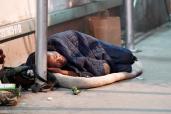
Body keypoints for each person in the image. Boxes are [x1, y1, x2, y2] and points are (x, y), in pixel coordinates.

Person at [26, 30, 137, 77]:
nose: (60, 59)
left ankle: (108, 63)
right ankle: (109, 65)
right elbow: (78, 73)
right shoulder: (60, 67)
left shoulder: (57, 42)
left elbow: (77, 41)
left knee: (126, 55)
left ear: (50, 50)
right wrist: (61, 71)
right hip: (92, 59)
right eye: (57, 63)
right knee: (126, 68)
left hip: (91, 46)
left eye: (56, 56)